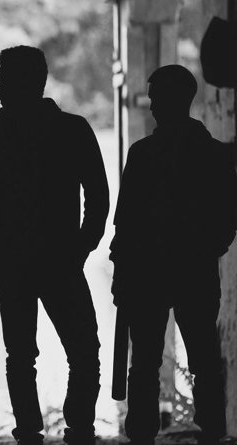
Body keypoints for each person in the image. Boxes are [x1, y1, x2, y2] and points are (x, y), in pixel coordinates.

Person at [0, 45, 108, 445]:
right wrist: (82, 246)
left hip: (15, 261)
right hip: (62, 258)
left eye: (4, 80)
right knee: (84, 350)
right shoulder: (73, 130)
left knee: (21, 356)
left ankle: (29, 431)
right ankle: (79, 428)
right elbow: (98, 194)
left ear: (26, 82)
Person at [110, 64, 237, 445]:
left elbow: (126, 222)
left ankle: (143, 435)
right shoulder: (212, 154)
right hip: (193, 271)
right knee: (203, 359)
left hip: (149, 273)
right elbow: (227, 218)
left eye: (156, 99)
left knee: (145, 363)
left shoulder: (143, 153)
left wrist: (123, 270)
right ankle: (212, 432)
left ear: (174, 100)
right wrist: (206, 250)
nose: (151, 106)